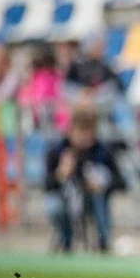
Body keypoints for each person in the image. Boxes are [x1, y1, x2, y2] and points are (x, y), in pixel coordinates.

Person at [45, 104, 124, 252]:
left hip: (93, 201)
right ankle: (65, 238)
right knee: (54, 207)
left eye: (88, 132)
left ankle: (103, 241)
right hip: (67, 200)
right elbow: (47, 185)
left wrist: (101, 185)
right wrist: (61, 174)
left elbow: (121, 182)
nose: (84, 138)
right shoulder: (57, 151)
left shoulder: (102, 152)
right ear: (71, 131)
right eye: (81, 132)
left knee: (99, 192)